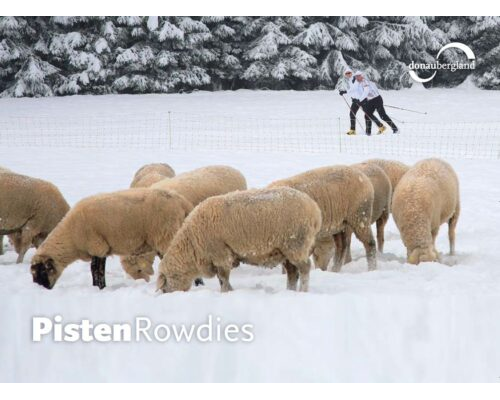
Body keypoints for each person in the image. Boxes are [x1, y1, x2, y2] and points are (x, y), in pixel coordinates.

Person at [354, 71, 399, 135]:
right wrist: (357, 99)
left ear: (362, 76)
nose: (357, 78)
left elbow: (366, 92)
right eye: (356, 77)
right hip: (370, 101)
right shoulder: (360, 83)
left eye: (358, 76)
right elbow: (360, 92)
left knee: (383, 116)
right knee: (367, 115)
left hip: (377, 99)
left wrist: (360, 100)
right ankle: (368, 132)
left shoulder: (365, 82)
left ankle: (395, 129)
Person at [338, 68, 360, 135]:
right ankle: (353, 130)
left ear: (351, 73)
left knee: (368, 114)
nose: (348, 74)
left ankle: (381, 126)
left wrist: (345, 91)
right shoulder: (350, 80)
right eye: (346, 73)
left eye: (349, 73)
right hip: (355, 100)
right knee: (352, 114)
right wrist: (353, 97)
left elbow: (355, 89)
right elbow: (352, 90)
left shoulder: (354, 79)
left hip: (360, 100)